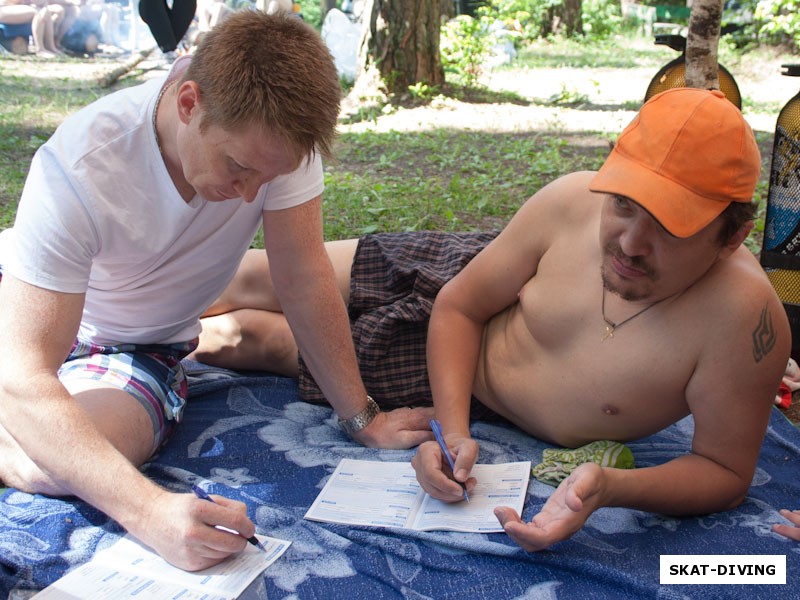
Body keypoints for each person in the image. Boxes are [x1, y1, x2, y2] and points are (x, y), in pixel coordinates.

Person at [191, 87, 791, 551]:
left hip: (441, 374)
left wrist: (611, 488)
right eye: (624, 207)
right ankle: (103, 304)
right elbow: (460, 302)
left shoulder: (744, 324)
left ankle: (123, 347)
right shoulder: (569, 201)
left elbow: (724, 471)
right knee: (258, 276)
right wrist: (453, 433)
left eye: (668, 227)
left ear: (733, 235)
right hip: (462, 275)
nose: (629, 244)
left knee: (245, 341)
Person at [0, 11, 431, 574]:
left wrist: (361, 416)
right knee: (44, 439)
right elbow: (27, 371)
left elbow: (302, 276)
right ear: (188, 103)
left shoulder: (276, 146)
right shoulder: (81, 168)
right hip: (41, 315)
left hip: (132, 349)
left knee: (57, 462)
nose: (249, 194)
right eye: (238, 168)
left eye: (266, 179)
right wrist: (152, 513)